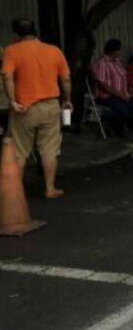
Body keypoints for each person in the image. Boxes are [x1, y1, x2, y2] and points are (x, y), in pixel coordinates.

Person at [1, 18, 71, 199]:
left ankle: (16, 195)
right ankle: (50, 189)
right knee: (49, 150)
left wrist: (12, 101)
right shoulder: (54, 50)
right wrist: (67, 100)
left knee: (19, 152)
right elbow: (65, 79)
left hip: (24, 108)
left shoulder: (11, 50)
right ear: (35, 31)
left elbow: (7, 77)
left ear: (16, 35)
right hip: (50, 106)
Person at [90, 39, 133, 136]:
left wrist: (129, 89)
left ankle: (128, 127)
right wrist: (119, 94)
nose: (121, 52)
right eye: (119, 50)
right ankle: (118, 130)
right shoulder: (101, 63)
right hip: (106, 97)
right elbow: (102, 84)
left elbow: (124, 76)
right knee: (122, 109)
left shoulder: (117, 62)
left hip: (122, 94)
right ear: (113, 51)